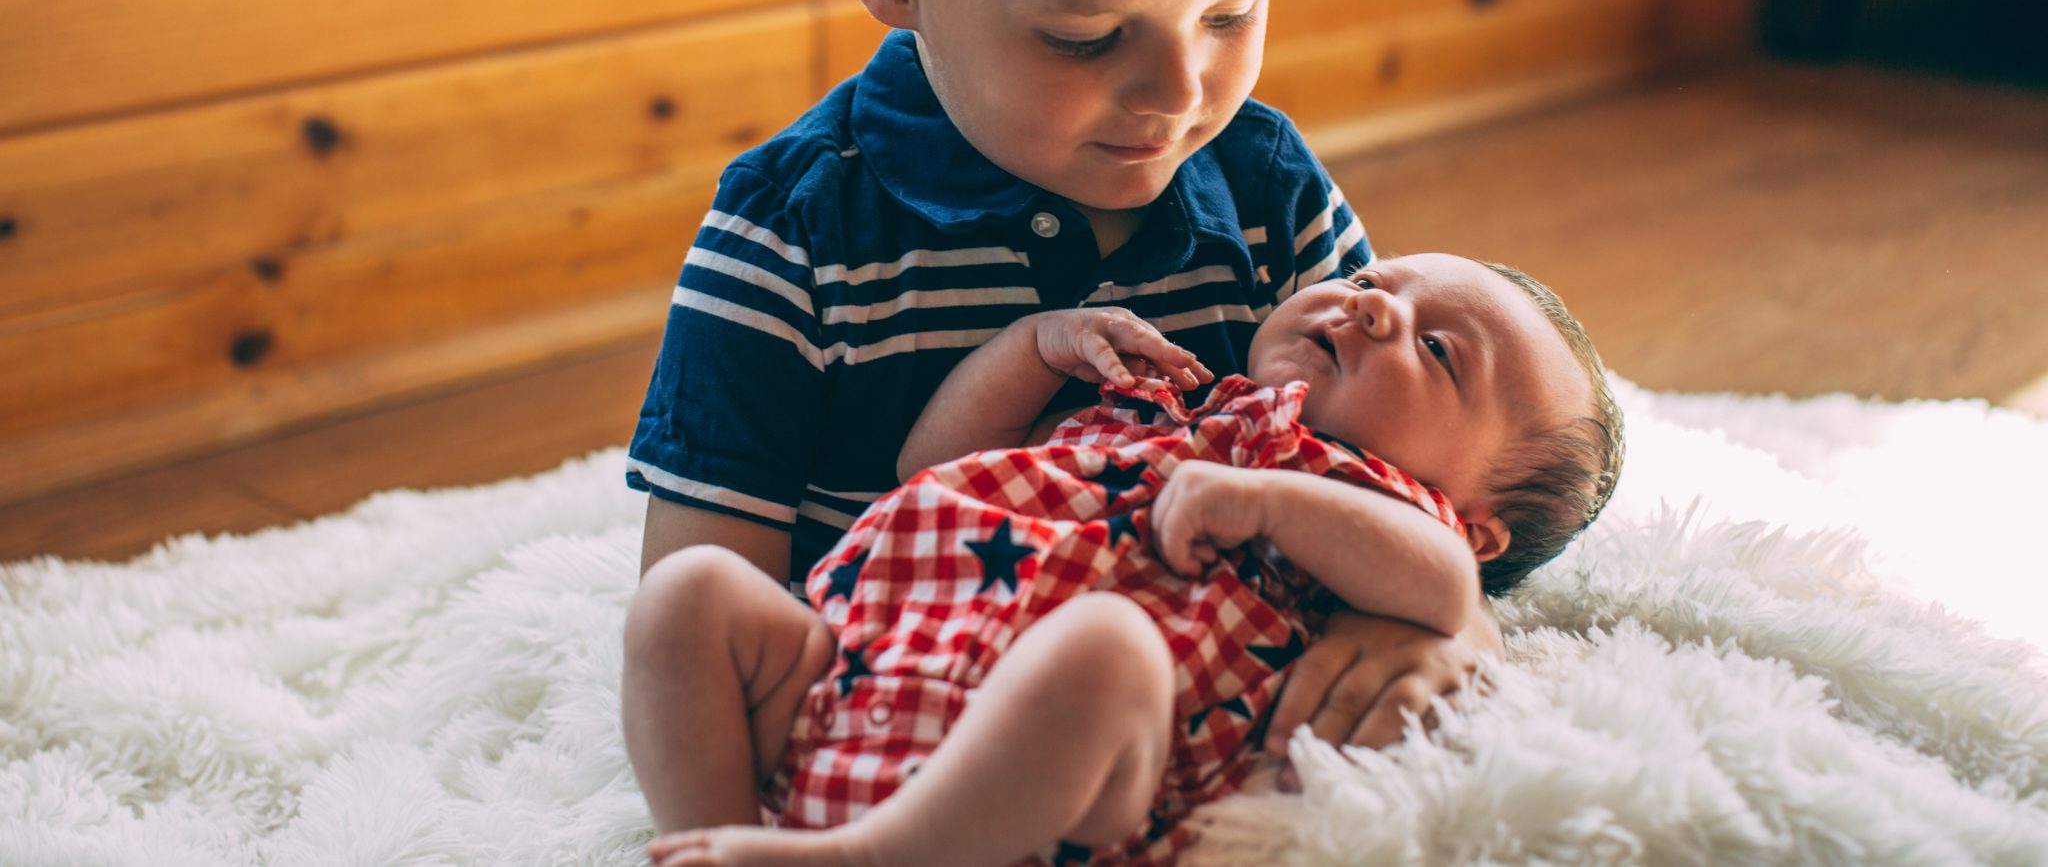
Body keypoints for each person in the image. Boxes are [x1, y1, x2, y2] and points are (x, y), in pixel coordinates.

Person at [621, 0, 1491, 793]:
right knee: (682, 605)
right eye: (1086, 37)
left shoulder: (1264, 188)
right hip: (878, 683)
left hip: (1140, 685)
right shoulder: (790, 230)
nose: (1175, 94)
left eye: (1233, 11)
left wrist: (1443, 622)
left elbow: (1405, 476)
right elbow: (711, 580)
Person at [629, 252, 1625, 867]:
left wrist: (1270, 500)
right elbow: (929, 467)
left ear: (1476, 517)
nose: (1369, 307)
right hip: (844, 676)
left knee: (1107, 642)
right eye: (1370, 282)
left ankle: (868, 857)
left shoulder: (1382, 509)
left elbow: (1442, 586)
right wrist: (1031, 349)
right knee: (693, 594)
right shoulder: (1168, 404)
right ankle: (709, 837)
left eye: (1439, 351)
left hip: (1049, 779)